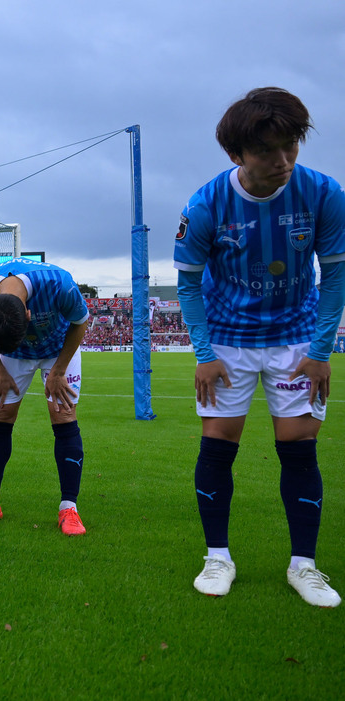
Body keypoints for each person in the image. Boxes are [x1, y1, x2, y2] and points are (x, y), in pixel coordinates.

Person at [175, 87, 345, 607]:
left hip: (296, 341)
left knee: (298, 450)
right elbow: (187, 286)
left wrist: (321, 350)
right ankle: (217, 556)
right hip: (227, 343)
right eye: (268, 151)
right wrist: (204, 354)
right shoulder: (205, 205)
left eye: (291, 145)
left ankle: (304, 566)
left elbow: (335, 279)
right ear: (236, 155)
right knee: (218, 447)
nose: (284, 161)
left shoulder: (323, 193)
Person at [0, 257, 90, 535]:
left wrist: (59, 371)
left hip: (58, 349)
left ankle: (69, 508)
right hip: (10, 354)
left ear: (29, 314)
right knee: (1, 413)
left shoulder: (60, 285)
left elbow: (80, 322)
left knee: (63, 413)